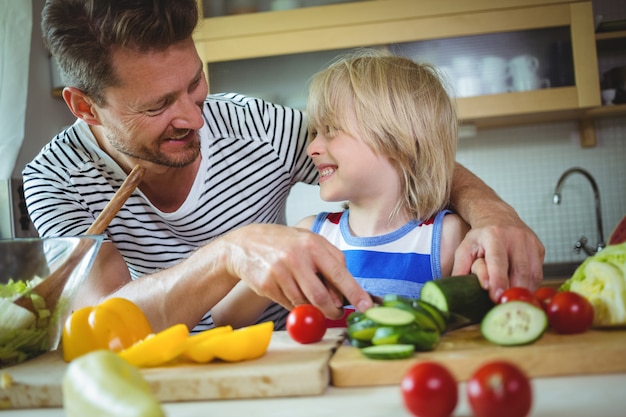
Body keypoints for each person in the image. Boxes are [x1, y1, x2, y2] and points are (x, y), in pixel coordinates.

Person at [23, 0, 544, 333]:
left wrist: (495, 215)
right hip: (164, 374)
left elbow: (405, 159)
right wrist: (229, 252)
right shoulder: (56, 180)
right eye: (158, 106)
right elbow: (102, 321)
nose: (193, 118)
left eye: (195, 83)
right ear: (85, 107)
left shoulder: (258, 126)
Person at [295, 51, 469, 302]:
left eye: (331, 129)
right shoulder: (309, 235)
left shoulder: (448, 238)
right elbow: (226, 315)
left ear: (400, 137)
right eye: (314, 132)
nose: (312, 148)